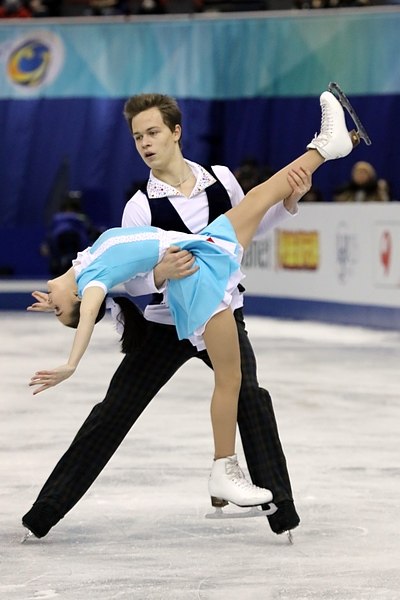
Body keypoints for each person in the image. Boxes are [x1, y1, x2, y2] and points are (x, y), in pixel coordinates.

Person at [22, 87, 365, 540]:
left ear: (176, 132)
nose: (145, 143)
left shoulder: (221, 179)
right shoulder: (139, 205)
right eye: (137, 137)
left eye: (153, 132)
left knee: (250, 398)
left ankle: (281, 515)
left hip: (221, 304)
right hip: (166, 324)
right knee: (114, 412)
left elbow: (251, 226)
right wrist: (160, 274)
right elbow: (128, 276)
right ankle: (43, 515)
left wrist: (288, 202)